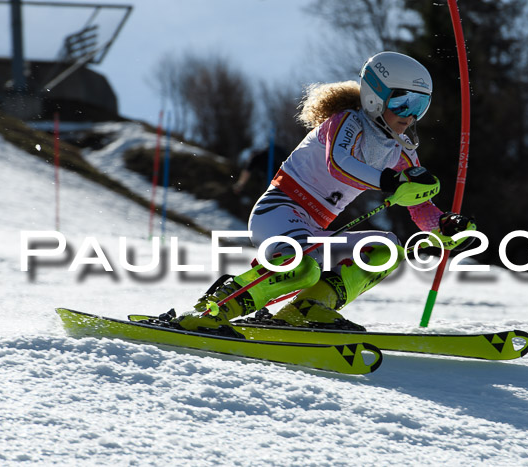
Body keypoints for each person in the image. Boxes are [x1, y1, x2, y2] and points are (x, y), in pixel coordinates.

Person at [174, 51, 475, 332]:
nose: (410, 116)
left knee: (385, 249)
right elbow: (339, 164)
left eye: (420, 106)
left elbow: (420, 206)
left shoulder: (401, 151)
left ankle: (305, 309)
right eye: (402, 103)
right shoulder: (347, 122)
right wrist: (390, 182)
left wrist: (445, 226)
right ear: (375, 98)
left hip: (315, 229)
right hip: (278, 212)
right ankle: (214, 310)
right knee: (303, 266)